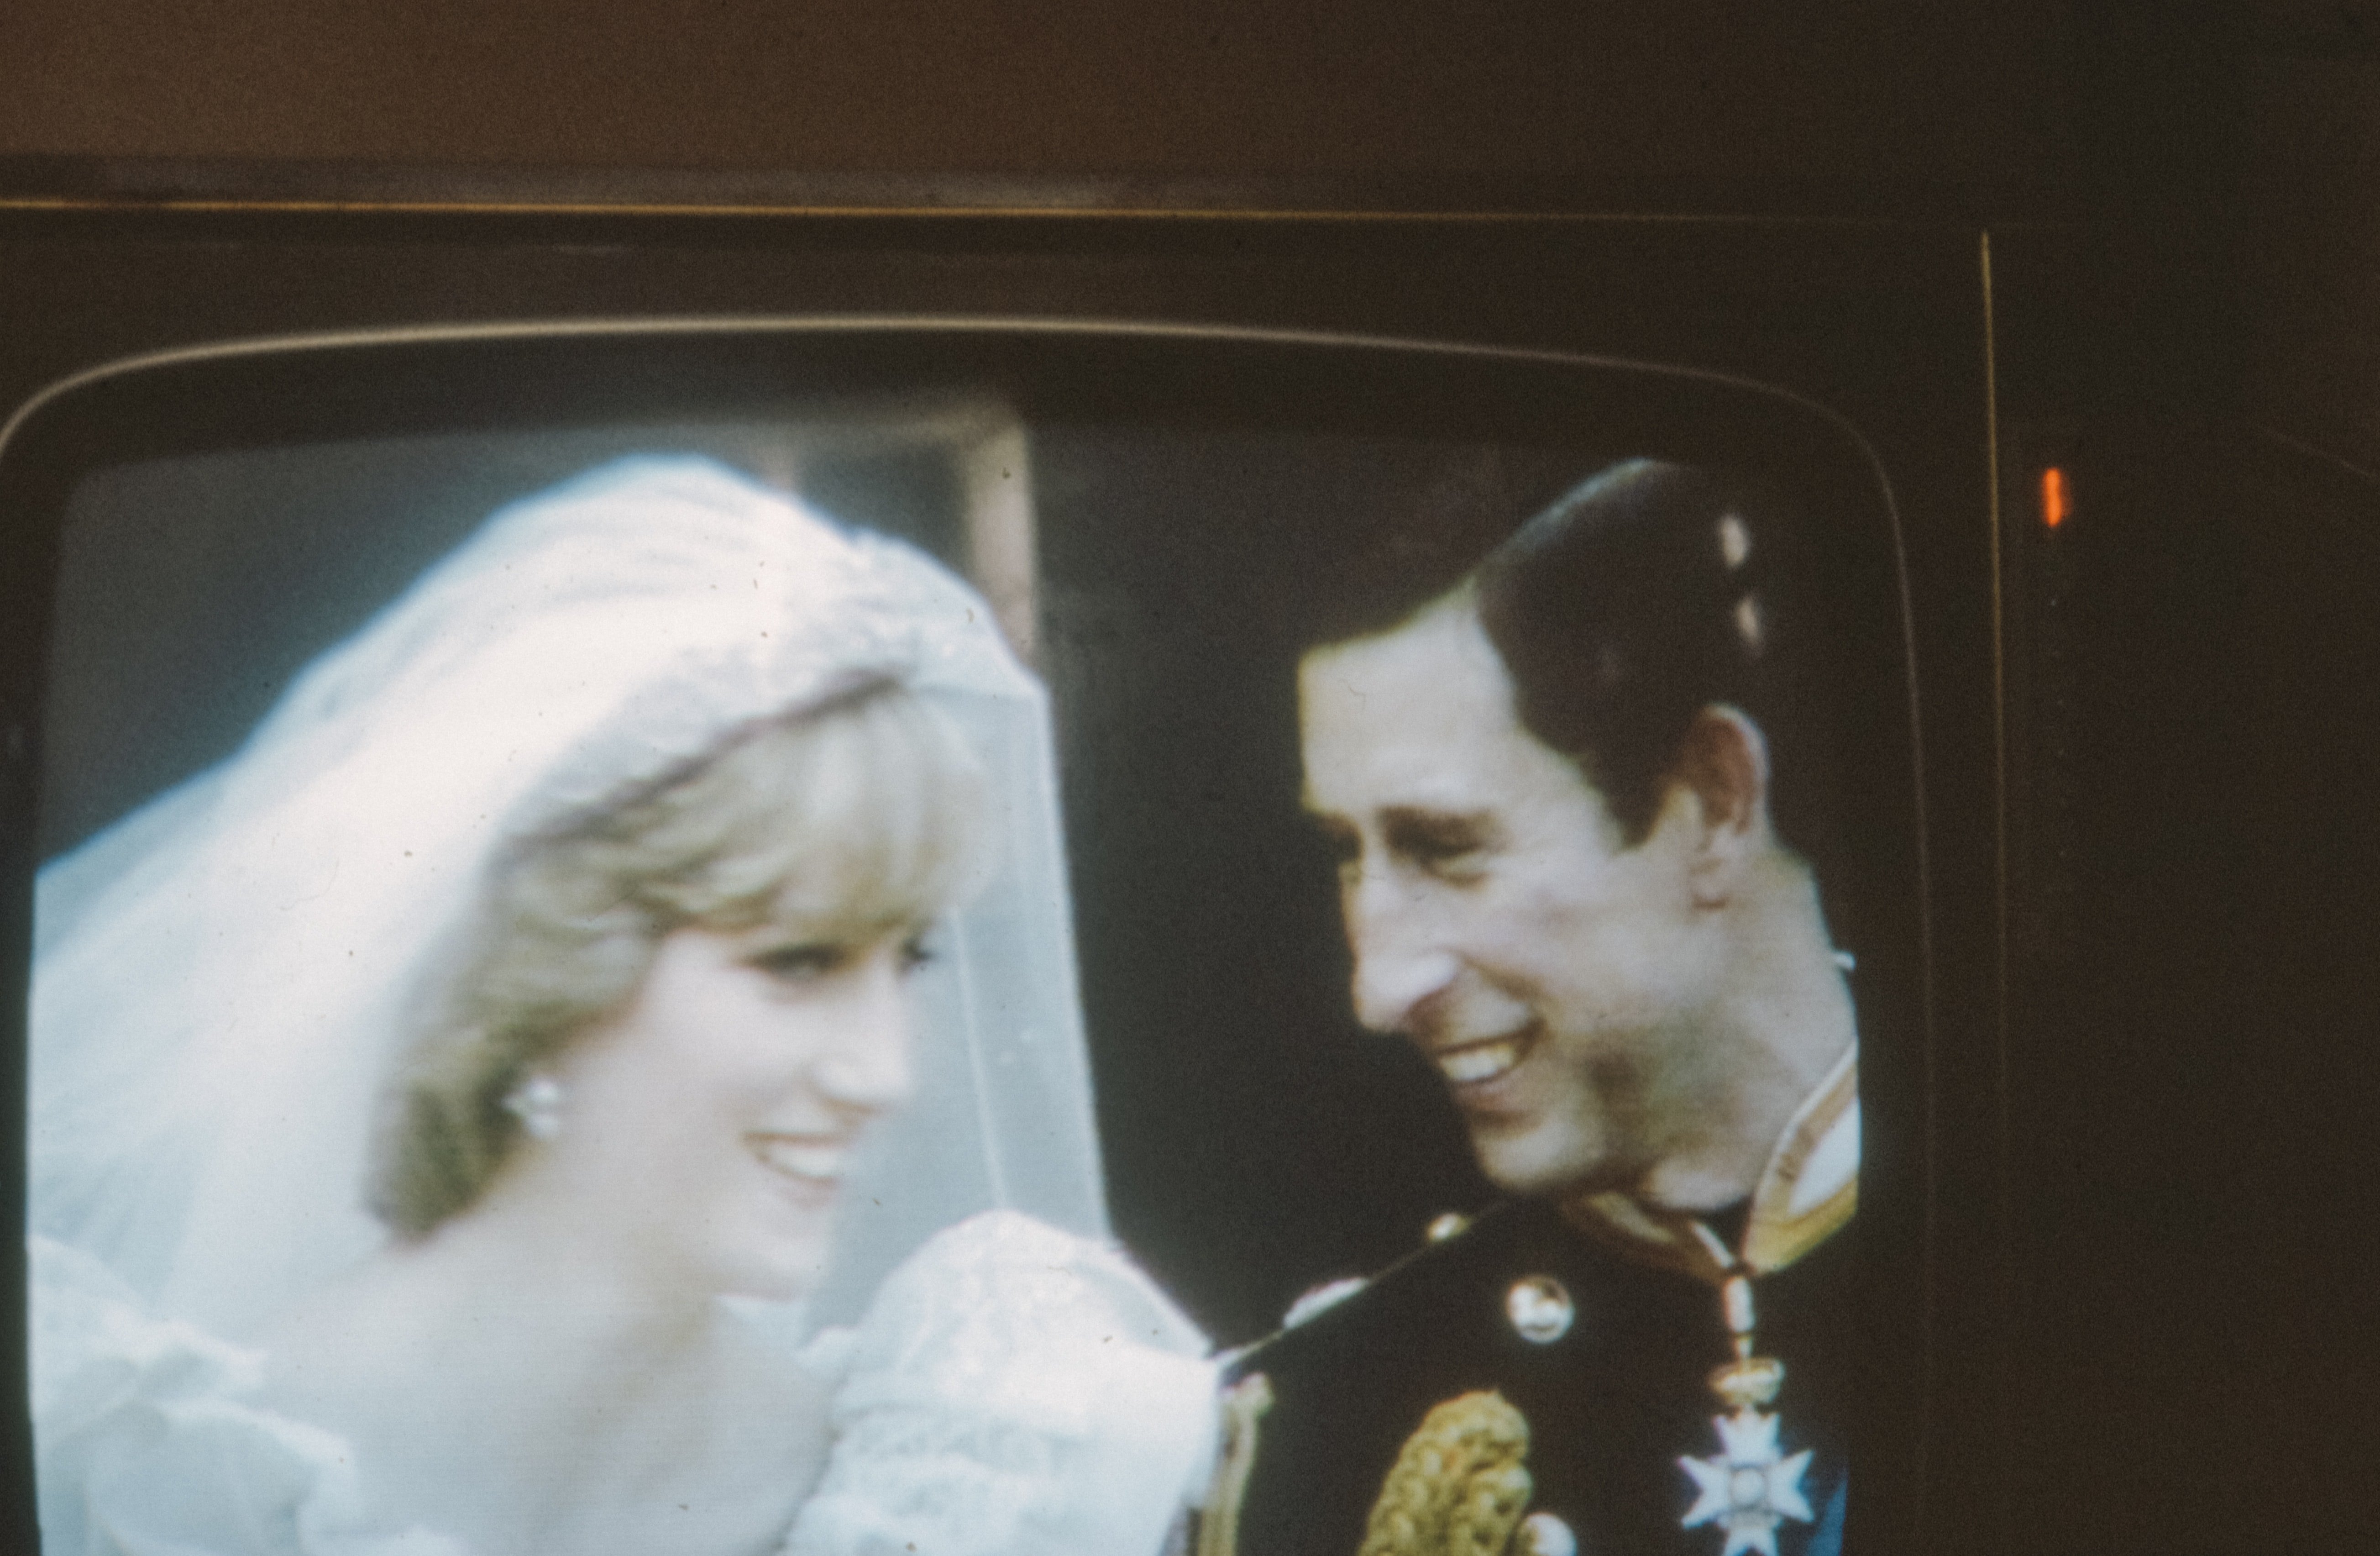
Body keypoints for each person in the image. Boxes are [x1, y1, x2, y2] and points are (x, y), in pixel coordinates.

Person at [28, 457, 1221, 1556]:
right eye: (797, 961)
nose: (883, 1072)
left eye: (902, 961)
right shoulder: (142, 1467)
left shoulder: (957, 1488)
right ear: (542, 975)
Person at [1216, 460, 1863, 1556]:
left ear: (1712, 804)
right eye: (1346, 853)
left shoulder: (2100, 1280)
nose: (1378, 989)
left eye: (1446, 848)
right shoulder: (1340, 1414)